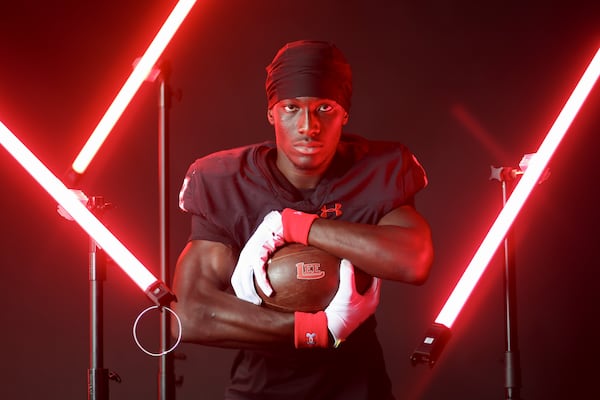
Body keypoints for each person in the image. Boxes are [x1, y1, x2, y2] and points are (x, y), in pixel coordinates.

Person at [171, 40, 434, 400]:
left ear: (344, 114)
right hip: (260, 392)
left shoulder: (376, 170)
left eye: (324, 107)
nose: (308, 126)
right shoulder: (226, 180)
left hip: (358, 390)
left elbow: (414, 260)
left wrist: (295, 225)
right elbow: (189, 313)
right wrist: (315, 330)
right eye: (291, 108)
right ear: (271, 113)